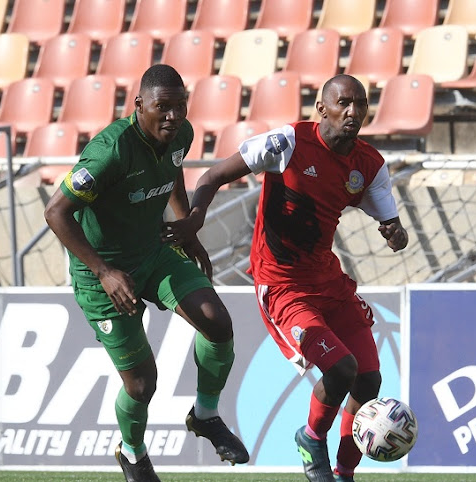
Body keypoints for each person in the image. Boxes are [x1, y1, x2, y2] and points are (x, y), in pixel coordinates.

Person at [163, 74, 408, 482]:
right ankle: (311, 437)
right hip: (283, 286)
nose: (353, 111)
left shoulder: (369, 164)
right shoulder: (288, 143)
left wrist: (395, 233)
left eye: (360, 104)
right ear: (322, 108)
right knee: (342, 369)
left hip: (329, 282)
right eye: (343, 102)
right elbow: (210, 178)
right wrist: (194, 219)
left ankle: (343, 473)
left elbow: (390, 219)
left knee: (369, 379)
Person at [44, 64, 249, 482]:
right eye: (163, 107)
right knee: (142, 385)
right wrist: (103, 271)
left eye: (180, 106)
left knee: (217, 322)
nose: (173, 116)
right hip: (102, 272)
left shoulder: (181, 134)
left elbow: (171, 167)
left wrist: (185, 225)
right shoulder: (110, 151)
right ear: (139, 105)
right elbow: (56, 212)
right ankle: (132, 452)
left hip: (154, 252)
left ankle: (205, 416)